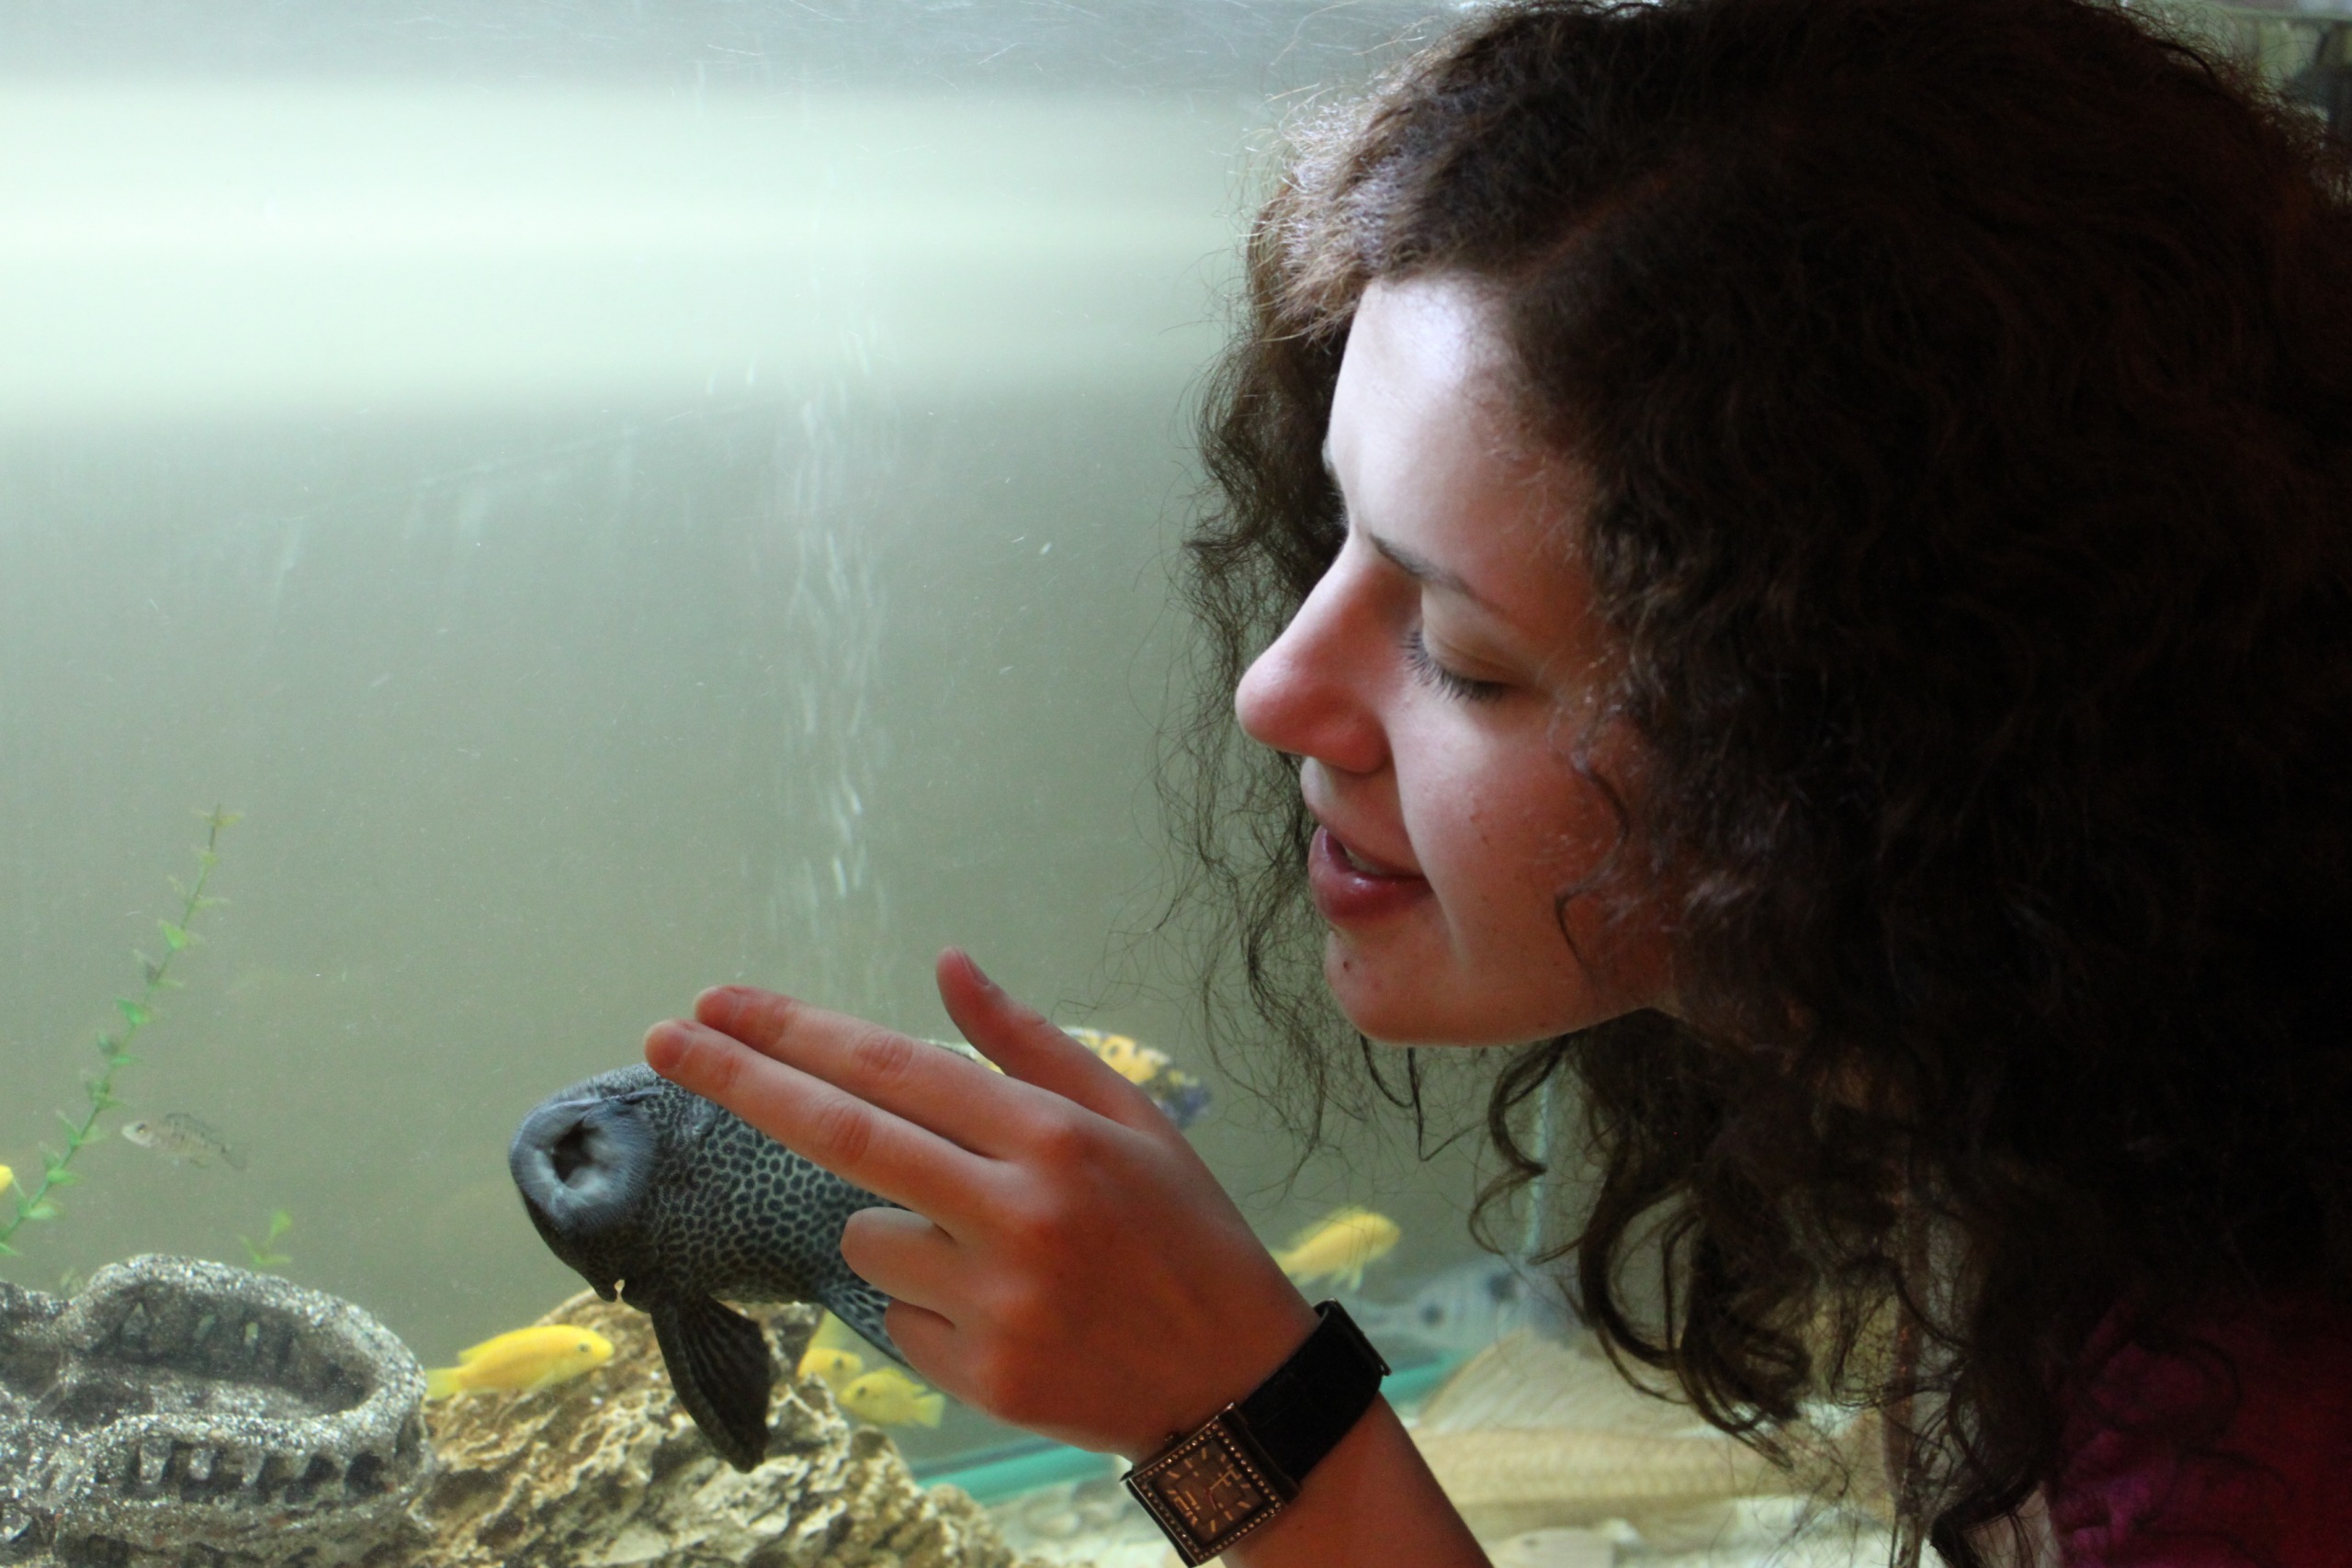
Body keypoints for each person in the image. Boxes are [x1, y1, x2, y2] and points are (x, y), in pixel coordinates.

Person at [643, 0, 2352, 1562]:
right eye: (1332, 530)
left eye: (1464, 653)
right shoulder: (2085, 1155)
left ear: (1863, 740)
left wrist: (1237, 1410)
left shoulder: (2252, 1448)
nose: (1272, 692)